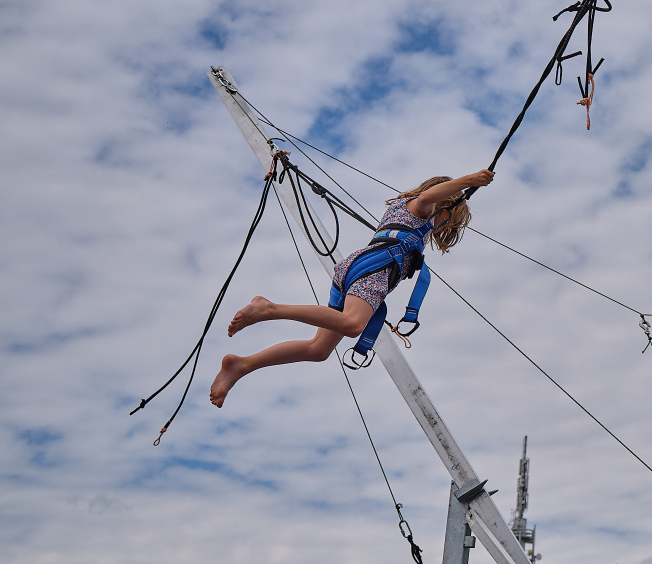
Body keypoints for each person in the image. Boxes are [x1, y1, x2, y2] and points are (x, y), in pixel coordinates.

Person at [211, 169, 494, 406]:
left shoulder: (404, 210)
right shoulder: (422, 208)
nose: (445, 228)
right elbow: (428, 196)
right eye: (450, 222)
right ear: (447, 204)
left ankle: (242, 365)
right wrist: (470, 181)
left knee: (318, 349)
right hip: (372, 271)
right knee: (352, 325)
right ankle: (268, 309)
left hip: (357, 272)